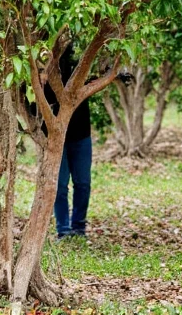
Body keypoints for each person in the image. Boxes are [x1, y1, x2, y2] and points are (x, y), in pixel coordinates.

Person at [25, 43, 131, 239]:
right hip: (55, 137)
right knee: (60, 185)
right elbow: (29, 100)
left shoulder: (78, 67)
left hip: (81, 134)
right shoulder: (39, 71)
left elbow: (98, 77)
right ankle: (63, 230)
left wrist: (117, 74)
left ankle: (78, 228)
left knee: (83, 183)